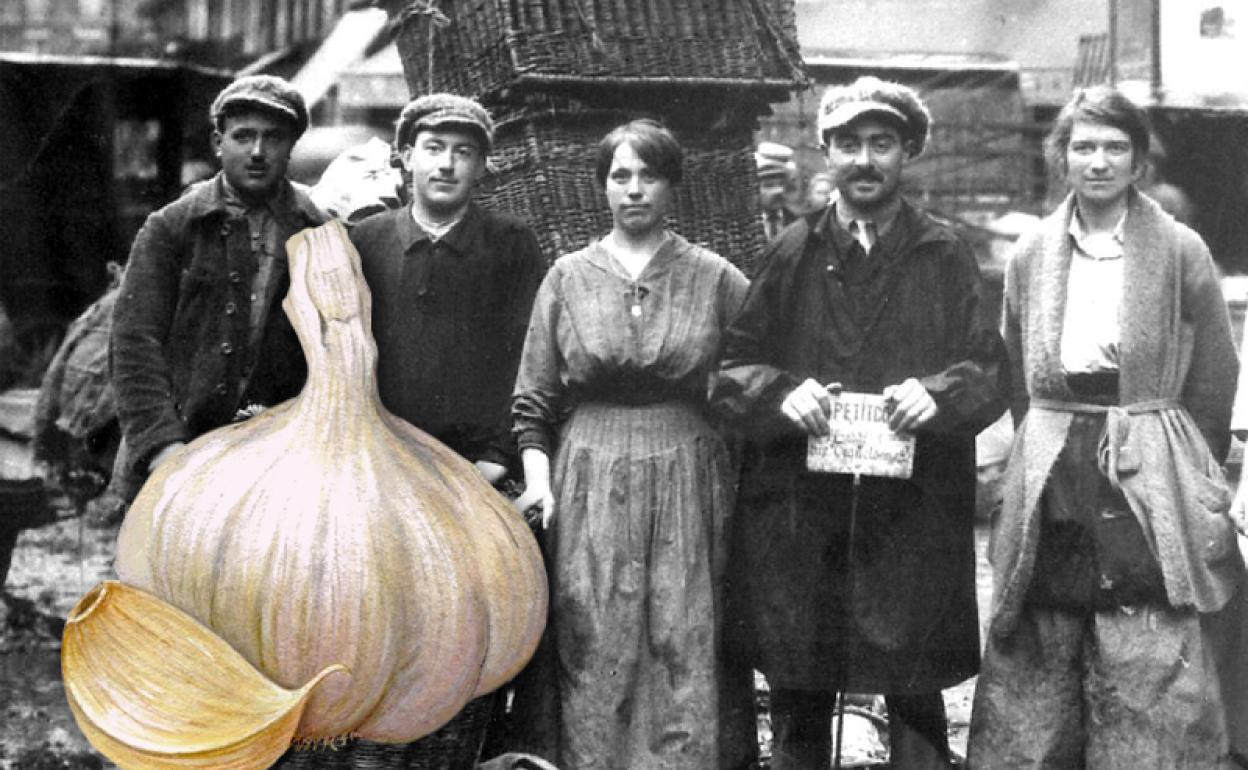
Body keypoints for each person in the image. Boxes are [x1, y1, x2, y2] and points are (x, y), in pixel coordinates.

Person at [710, 76, 1008, 769]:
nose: (864, 160)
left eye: (882, 143)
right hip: (802, 508)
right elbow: (732, 371)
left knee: (914, 679)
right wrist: (784, 395)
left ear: (909, 153)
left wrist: (938, 394)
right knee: (800, 678)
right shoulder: (792, 251)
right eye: (848, 144)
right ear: (826, 154)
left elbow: (988, 369)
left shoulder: (945, 253)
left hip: (911, 508)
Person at [968, 86, 1243, 767]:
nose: (1099, 162)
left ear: (1139, 159)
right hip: (1056, 448)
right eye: (1083, 147)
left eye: (1115, 147)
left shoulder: (1180, 249)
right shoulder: (1033, 250)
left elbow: (1214, 368)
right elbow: (1014, 363)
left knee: (1146, 623)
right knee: (1046, 617)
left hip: (1148, 447)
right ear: (1061, 156)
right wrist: (1029, 458)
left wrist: (1190, 469)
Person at [511, 118, 754, 768]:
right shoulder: (567, 277)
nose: (635, 189)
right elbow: (533, 401)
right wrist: (539, 482)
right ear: (602, 187)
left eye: (649, 175)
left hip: (689, 474)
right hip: (588, 471)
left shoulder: (715, 278)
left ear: (672, 184)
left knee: (684, 634)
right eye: (621, 175)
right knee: (594, 638)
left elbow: (752, 382)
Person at [111, 75, 326, 495]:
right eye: (243, 136)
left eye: (274, 138)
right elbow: (134, 343)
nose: (258, 152)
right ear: (217, 143)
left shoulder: (320, 232)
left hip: (276, 464)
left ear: (291, 147)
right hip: (176, 452)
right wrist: (163, 449)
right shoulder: (171, 228)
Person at [348, 93, 544, 485]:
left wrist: (496, 456)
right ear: (407, 156)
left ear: (481, 167)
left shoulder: (511, 243)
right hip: (376, 464)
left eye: (464, 152)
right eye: (433, 148)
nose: (446, 165)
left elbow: (530, 357)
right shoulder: (366, 241)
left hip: (478, 468)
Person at [757, 140, 800, 239]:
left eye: (782, 184)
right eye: (768, 185)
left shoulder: (800, 222)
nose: (778, 191)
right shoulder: (741, 227)